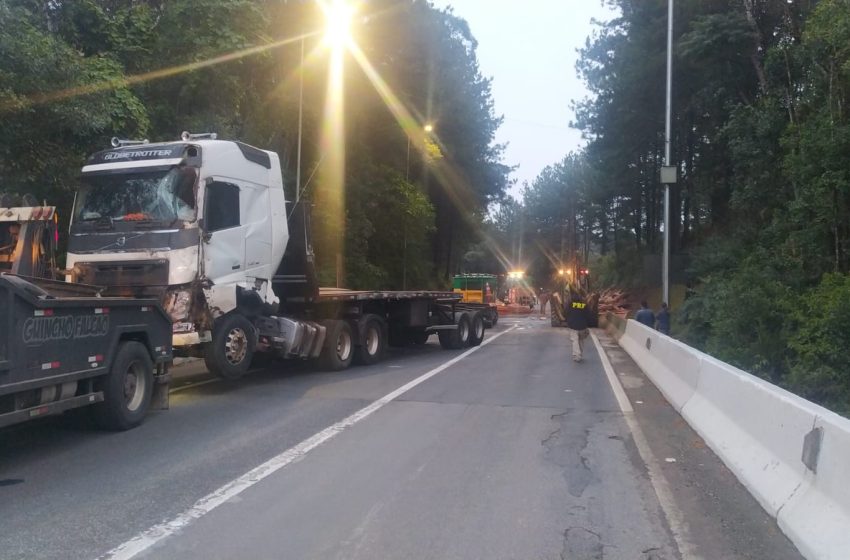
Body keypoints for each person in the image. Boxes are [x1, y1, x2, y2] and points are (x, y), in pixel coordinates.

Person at [566, 286, 591, 362]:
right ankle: (580, 354)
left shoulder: (570, 305)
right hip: (582, 326)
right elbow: (588, 314)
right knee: (581, 340)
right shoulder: (584, 305)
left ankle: (577, 355)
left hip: (573, 326)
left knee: (575, 340)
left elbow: (566, 313)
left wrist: (568, 321)